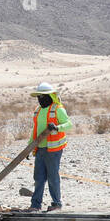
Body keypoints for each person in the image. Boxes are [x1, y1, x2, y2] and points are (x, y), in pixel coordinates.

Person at [28, 82, 72, 211]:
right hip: (40, 149)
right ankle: (35, 205)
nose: (40, 99)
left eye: (42, 97)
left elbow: (69, 124)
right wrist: (29, 147)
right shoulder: (38, 110)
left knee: (53, 177)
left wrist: (57, 128)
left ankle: (56, 204)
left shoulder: (58, 109)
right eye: (38, 97)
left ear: (49, 96)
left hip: (54, 149)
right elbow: (34, 130)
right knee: (39, 178)